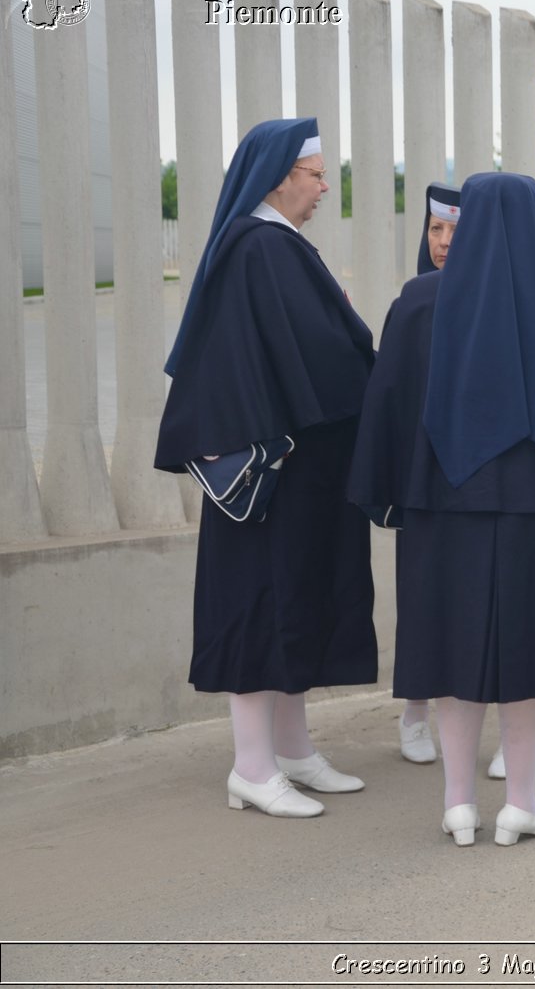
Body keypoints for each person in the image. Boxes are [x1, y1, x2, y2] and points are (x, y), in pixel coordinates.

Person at [347, 172, 535, 846]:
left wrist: (383, 495)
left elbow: (385, 411)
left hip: (440, 510)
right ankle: (521, 804)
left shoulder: (419, 303)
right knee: (528, 658)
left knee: (452, 654)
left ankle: (457, 805)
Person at [155, 117, 377, 819]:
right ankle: (251, 765)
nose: (322, 188)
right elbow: (320, 351)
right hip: (272, 472)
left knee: (297, 599)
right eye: (316, 175)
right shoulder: (262, 249)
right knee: (259, 605)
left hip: (294, 468)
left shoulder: (269, 246)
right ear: (282, 176)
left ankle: (292, 749)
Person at [396, 181, 461, 766]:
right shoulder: (414, 298)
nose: (442, 242)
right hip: (425, 479)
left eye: (454, 232)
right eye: (434, 230)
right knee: (423, 594)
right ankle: (415, 710)